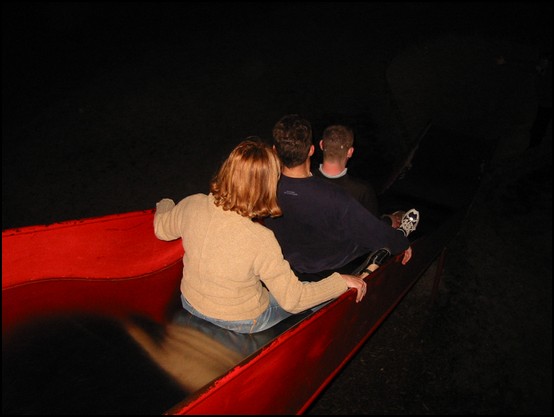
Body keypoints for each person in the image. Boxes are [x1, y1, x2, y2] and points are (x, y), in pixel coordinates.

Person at [153, 138, 367, 334]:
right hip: (241, 319)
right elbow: (294, 300)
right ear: (267, 186)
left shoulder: (192, 204)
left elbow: (161, 229)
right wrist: (340, 281)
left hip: (190, 301)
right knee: (314, 298)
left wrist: (165, 203)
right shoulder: (260, 238)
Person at [264, 115, 412, 282]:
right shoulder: (333, 196)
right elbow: (372, 234)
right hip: (331, 266)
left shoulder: (264, 189)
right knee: (377, 229)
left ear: (274, 150)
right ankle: (394, 223)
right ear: (311, 150)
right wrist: (402, 242)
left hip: (289, 262)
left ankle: (388, 221)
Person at [313, 123, 405, 228]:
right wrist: (388, 220)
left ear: (321, 145)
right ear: (350, 152)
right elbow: (372, 228)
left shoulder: (304, 179)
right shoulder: (361, 191)